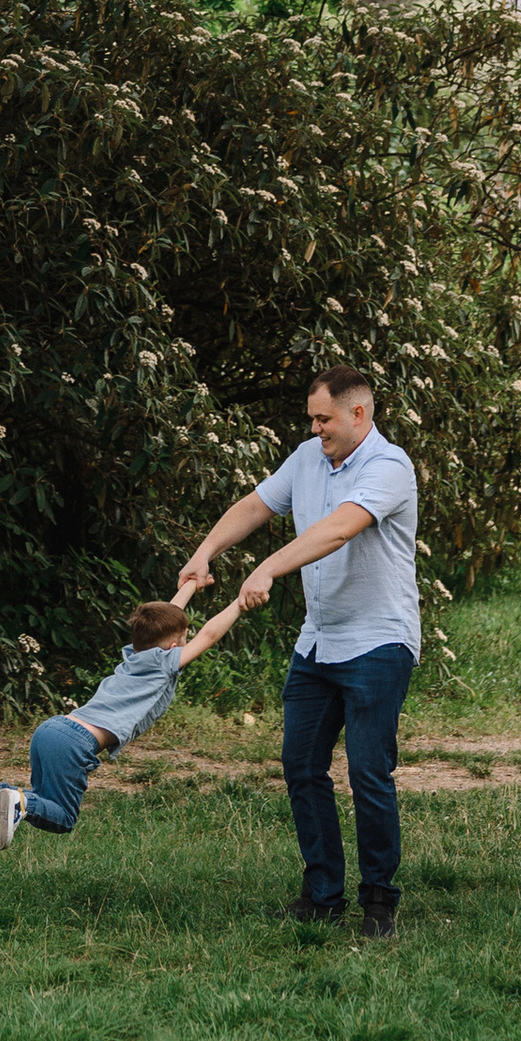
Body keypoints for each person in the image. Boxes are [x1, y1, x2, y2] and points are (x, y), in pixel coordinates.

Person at [176, 365, 420, 942]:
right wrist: (205, 552)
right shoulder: (309, 458)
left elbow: (339, 528)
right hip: (319, 641)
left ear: (358, 413)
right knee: (302, 766)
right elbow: (255, 505)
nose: (315, 430)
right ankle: (322, 895)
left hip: (378, 641)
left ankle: (379, 901)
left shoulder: (389, 466)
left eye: (324, 419)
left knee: (368, 772)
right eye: (311, 419)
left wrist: (268, 567)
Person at [0, 585, 253, 846]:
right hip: (76, 743)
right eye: (185, 637)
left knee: (46, 800)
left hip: (52, 728)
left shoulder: (134, 656)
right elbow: (209, 634)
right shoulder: (165, 663)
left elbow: (167, 618)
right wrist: (240, 601)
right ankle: (19, 803)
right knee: (63, 818)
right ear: (174, 647)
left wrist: (191, 584)